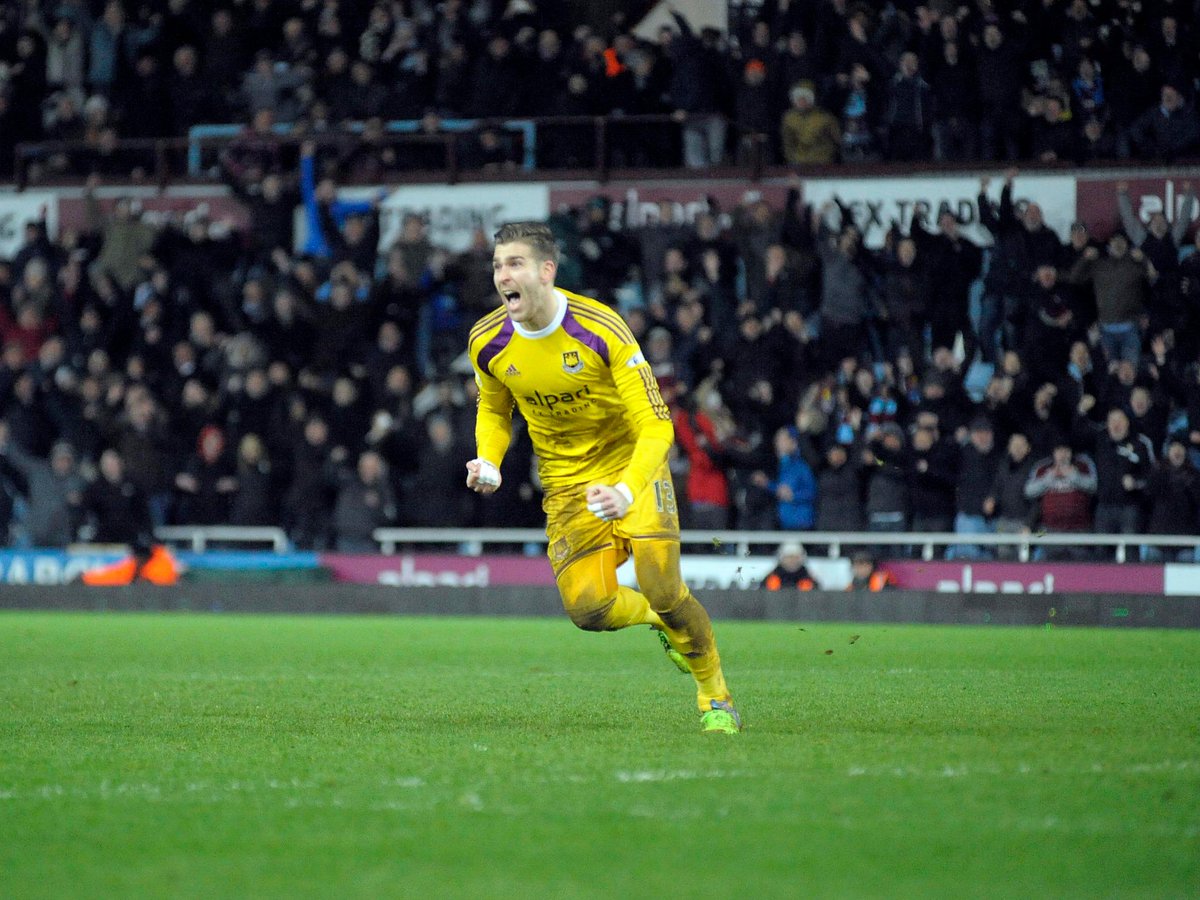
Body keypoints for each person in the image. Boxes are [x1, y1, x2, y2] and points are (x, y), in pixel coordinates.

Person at [465, 222, 740, 735]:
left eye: (515, 263)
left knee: (663, 586)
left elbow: (656, 424)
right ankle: (660, 625)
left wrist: (626, 489)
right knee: (588, 610)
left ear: (547, 271)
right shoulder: (487, 340)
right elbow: (495, 410)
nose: (503, 275)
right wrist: (490, 460)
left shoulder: (600, 327)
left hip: (630, 466)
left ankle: (715, 699)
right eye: (498, 265)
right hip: (568, 484)